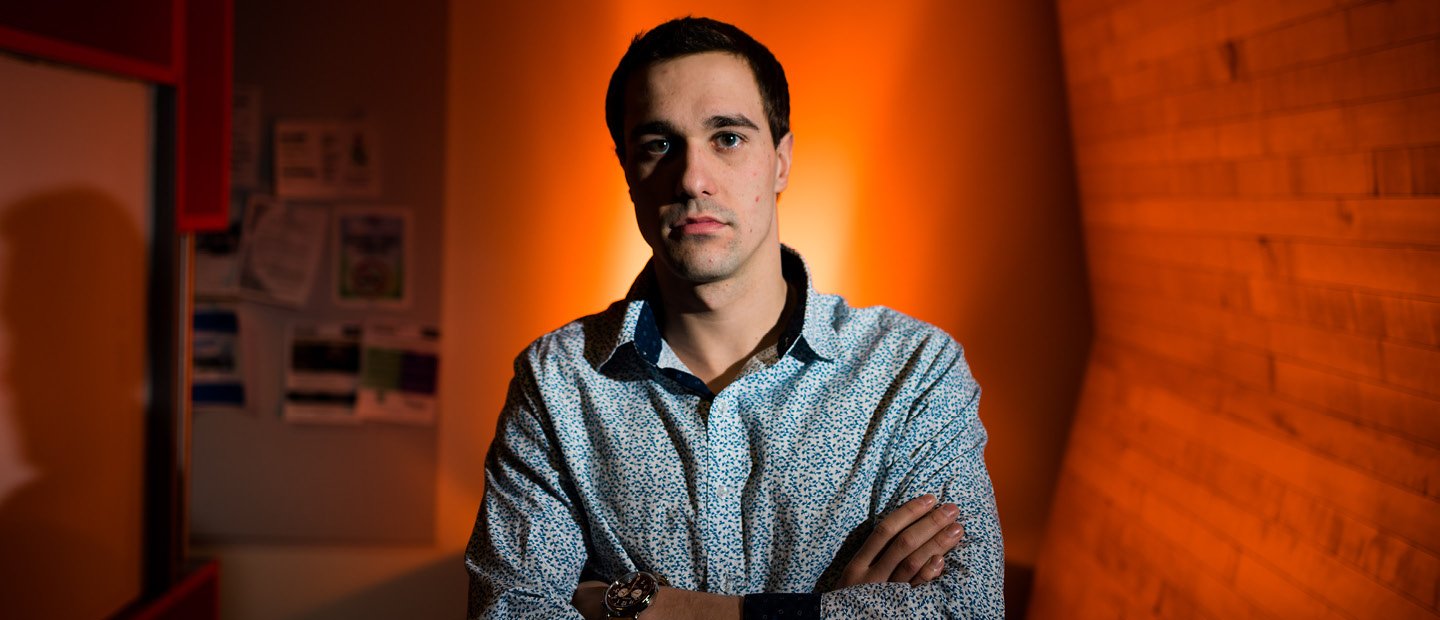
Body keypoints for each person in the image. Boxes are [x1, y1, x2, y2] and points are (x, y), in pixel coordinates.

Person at [466, 16, 1003, 619]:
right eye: (658, 144)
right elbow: (511, 612)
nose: (693, 178)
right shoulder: (557, 381)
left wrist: (665, 610)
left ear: (781, 160)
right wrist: (833, 612)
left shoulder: (913, 371)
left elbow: (966, 610)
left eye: (727, 137)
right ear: (627, 172)